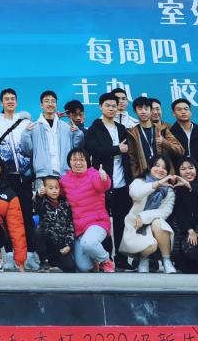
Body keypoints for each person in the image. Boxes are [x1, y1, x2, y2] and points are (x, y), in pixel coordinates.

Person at [84, 92, 131, 267]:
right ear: (100, 107)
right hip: (102, 183)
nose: (111, 109)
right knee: (103, 222)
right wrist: (117, 149)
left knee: (121, 221)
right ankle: (105, 258)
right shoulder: (94, 128)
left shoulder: (122, 128)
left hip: (122, 183)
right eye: (107, 105)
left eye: (114, 106)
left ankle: (122, 259)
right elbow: (94, 150)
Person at [0, 88, 34, 243]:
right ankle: (8, 250)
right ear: (1, 102)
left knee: (26, 212)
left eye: (13, 98)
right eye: (7, 99)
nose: (10, 101)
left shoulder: (25, 122)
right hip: (5, 177)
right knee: (6, 213)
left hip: (25, 176)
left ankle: (30, 249)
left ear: (17, 102)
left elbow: (33, 147)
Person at [119, 155, 178, 274]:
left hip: (155, 227)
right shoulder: (139, 182)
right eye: (157, 166)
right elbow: (135, 194)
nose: (160, 169)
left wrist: (144, 216)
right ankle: (143, 259)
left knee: (158, 222)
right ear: (150, 167)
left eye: (164, 168)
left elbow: (165, 212)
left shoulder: (169, 190)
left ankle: (167, 261)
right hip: (136, 227)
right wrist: (157, 184)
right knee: (151, 245)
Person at [60, 147, 114, 273]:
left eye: (81, 160)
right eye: (74, 160)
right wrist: (41, 193)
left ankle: (106, 261)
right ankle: (94, 261)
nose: (78, 163)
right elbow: (56, 194)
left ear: (87, 161)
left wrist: (104, 178)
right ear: (69, 162)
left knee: (88, 243)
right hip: (78, 228)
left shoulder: (94, 174)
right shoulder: (64, 180)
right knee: (84, 267)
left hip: (97, 223)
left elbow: (103, 185)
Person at [21, 89, 84, 192]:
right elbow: (28, 151)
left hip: (64, 174)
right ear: (41, 105)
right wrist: (26, 134)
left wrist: (78, 134)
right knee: (42, 202)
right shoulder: (34, 127)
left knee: (67, 201)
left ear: (56, 104)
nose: (50, 104)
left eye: (53, 101)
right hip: (42, 175)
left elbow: (75, 148)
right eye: (47, 101)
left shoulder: (66, 127)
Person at [126, 96, 184, 178]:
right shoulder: (132, 133)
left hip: (164, 176)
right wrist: (137, 177)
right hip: (145, 177)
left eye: (146, 109)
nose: (143, 112)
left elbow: (180, 150)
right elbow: (132, 159)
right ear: (135, 111)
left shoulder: (163, 130)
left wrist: (164, 142)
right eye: (140, 109)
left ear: (150, 111)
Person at [33, 175, 77, 273]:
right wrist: (39, 195)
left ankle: (54, 262)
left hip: (61, 245)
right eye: (51, 188)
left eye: (56, 188)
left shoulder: (65, 204)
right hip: (48, 242)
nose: (54, 191)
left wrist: (69, 245)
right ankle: (44, 261)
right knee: (37, 231)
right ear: (44, 189)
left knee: (70, 268)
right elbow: (36, 204)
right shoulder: (43, 201)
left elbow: (70, 226)